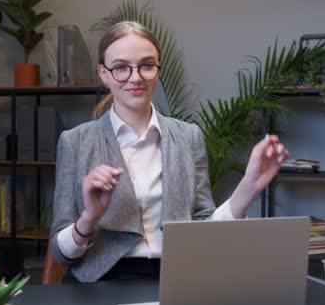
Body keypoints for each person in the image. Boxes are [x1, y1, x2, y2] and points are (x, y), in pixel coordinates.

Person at [49, 21, 289, 283]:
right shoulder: (75, 142)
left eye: (147, 65)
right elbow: (60, 254)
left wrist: (248, 187)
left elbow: (204, 231)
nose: (135, 77)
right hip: (101, 281)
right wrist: (89, 217)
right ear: (103, 74)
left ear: (158, 70)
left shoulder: (188, 137)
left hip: (177, 277)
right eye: (120, 67)